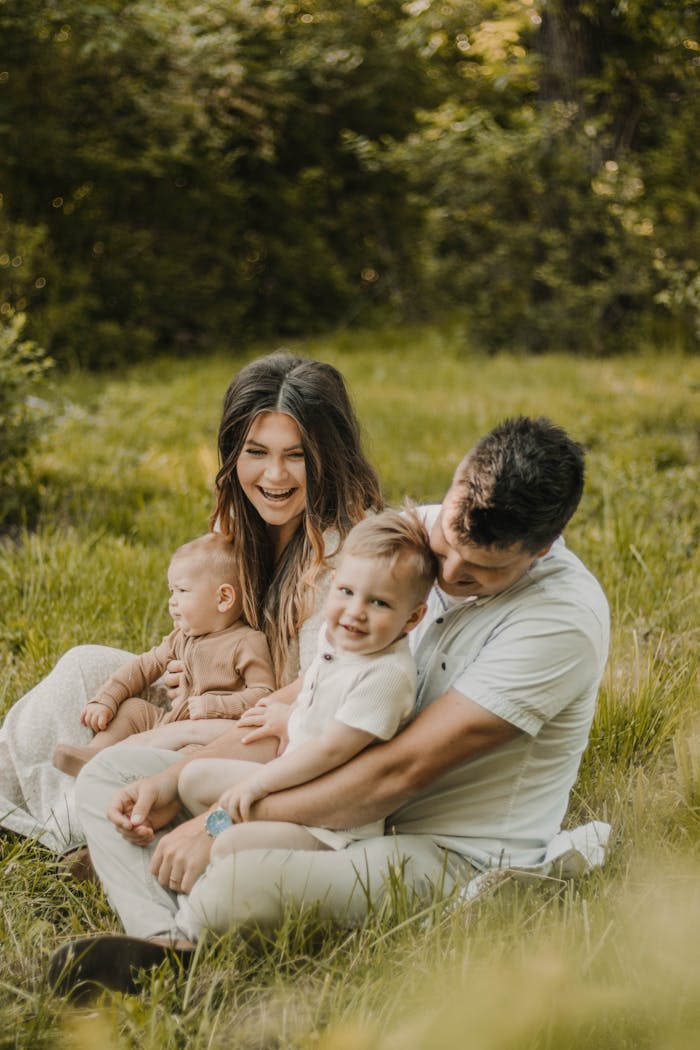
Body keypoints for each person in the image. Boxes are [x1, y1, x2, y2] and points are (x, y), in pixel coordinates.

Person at [50, 415, 610, 994]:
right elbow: (319, 687)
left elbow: (396, 773)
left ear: (541, 549)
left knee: (232, 884)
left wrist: (218, 823)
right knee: (112, 780)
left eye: (482, 571)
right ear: (457, 479)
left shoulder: (560, 622)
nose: (449, 573)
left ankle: (169, 917)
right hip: (312, 790)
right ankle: (166, 942)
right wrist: (172, 779)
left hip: (438, 847)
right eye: (448, 545)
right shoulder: (408, 543)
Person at [0, 352, 381, 853]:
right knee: (84, 666)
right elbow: (200, 631)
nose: (275, 475)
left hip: (258, 740)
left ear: (329, 457)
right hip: (206, 704)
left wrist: (208, 708)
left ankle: (70, 830)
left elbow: (315, 702)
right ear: (232, 453)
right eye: (256, 451)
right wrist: (190, 662)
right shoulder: (240, 532)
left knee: (139, 758)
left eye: (297, 455)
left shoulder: (344, 559)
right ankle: (19, 806)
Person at [178, 509, 437, 857]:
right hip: (290, 778)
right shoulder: (339, 639)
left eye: (379, 602)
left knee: (228, 844)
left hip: (329, 821)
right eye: (346, 591)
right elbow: (316, 696)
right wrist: (288, 719)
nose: (355, 611)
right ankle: (212, 847)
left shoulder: (386, 675)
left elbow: (331, 749)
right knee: (194, 779)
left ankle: (224, 862)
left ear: (413, 617)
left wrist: (258, 783)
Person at [52, 533, 276, 778]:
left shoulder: (246, 642)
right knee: (133, 710)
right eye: (171, 590)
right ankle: (95, 755)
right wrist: (107, 698)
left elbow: (264, 694)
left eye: (181, 590)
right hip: (171, 721)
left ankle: (142, 778)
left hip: (208, 736)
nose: (172, 601)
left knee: (191, 760)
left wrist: (215, 706)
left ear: (223, 598)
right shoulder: (181, 637)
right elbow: (143, 666)